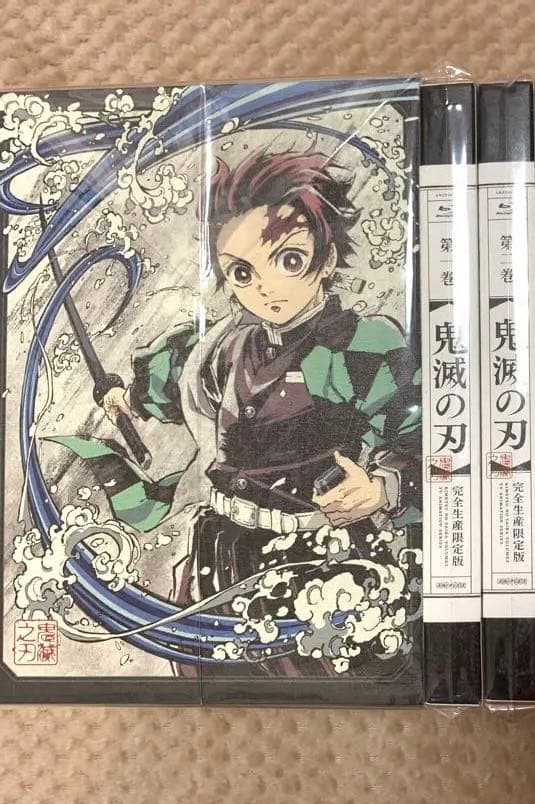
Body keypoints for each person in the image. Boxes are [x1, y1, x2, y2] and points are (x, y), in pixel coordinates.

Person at [99, 150, 422, 675]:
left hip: (319, 564)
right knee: (211, 688)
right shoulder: (224, 348)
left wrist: (384, 488)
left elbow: (429, 439)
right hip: (220, 558)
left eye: (289, 260)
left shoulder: (360, 347)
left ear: (327, 259)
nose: (267, 287)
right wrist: (123, 397)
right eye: (243, 272)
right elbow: (168, 386)